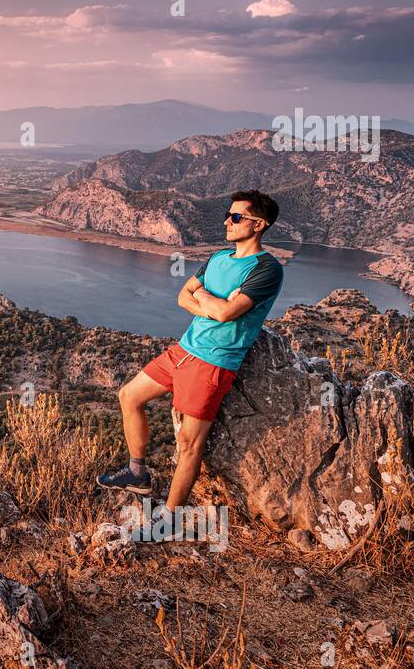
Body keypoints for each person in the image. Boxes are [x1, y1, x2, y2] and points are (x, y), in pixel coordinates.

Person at [99, 190, 284, 513]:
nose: (228, 221)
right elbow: (183, 297)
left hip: (213, 362)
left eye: (236, 217)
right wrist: (213, 302)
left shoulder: (266, 269)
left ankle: (170, 517)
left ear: (259, 225)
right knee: (129, 396)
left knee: (188, 444)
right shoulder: (217, 258)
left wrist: (208, 299)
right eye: (228, 215)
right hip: (183, 351)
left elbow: (228, 314)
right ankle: (137, 472)